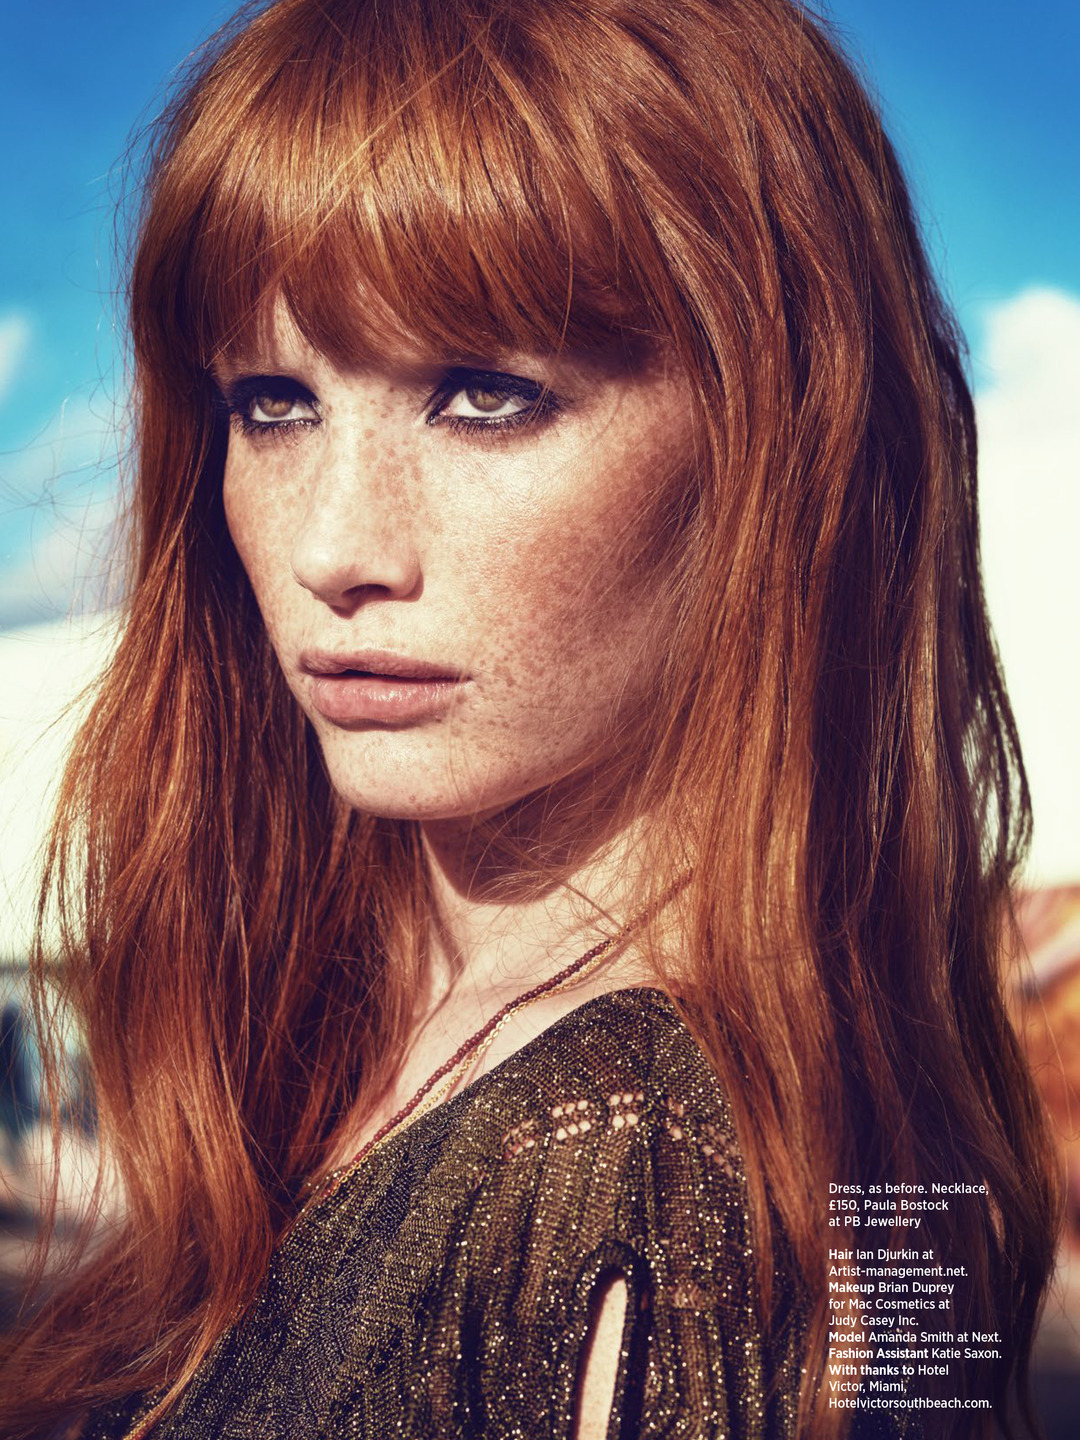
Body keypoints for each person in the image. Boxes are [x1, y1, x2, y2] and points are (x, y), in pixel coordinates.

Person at [0, 0, 1062, 1436]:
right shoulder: (338, 1019)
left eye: (486, 394)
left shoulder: (644, 1176)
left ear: (780, 439)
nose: (333, 548)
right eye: (273, 402)